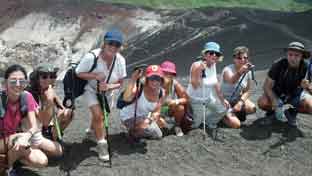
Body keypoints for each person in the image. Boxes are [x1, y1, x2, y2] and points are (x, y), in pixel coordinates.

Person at [75, 28, 127, 161]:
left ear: (120, 47)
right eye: (111, 43)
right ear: (104, 43)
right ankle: (102, 144)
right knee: (98, 116)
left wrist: (109, 86)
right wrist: (95, 76)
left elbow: (121, 82)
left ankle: (91, 132)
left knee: (102, 117)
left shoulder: (120, 61)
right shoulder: (91, 57)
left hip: (108, 94)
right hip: (91, 90)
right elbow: (78, 73)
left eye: (117, 45)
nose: (113, 47)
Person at [0, 64, 48, 176]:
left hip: (12, 140)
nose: (17, 85)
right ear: (5, 83)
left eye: (21, 81)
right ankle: (6, 170)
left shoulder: (26, 97)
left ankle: (12, 159)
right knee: (18, 138)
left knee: (42, 160)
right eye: (13, 81)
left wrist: (27, 135)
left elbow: (34, 125)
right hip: (5, 141)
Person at [258, 41, 312, 129]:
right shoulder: (278, 64)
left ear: (302, 56)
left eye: (296, 55)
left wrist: (308, 87)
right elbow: (266, 86)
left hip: (295, 95)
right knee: (262, 102)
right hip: (278, 93)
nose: (292, 58)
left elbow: (311, 89)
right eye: (290, 55)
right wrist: (274, 100)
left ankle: (291, 112)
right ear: (287, 54)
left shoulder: (307, 67)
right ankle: (271, 113)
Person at [27, 63, 73, 157]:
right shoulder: (30, 93)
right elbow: (44, 121)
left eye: (52, 76)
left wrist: (61, 111)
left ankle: (53, 138)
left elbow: (62, 107)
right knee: (58, 152)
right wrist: (49, 100)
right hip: (31, 129)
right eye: (44, 77)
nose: (48, 80)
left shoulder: (48, 88)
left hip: (44, 125)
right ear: (37, 78)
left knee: (68, 113)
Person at [187, 42, 231, 138]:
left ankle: (209, 122)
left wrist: (222, 100)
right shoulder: (196, 65)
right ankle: (195, 119)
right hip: (196, 99)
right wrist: (200, 70)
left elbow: (215, 83)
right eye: (211, 53)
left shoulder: (213, 65)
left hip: (207, 97)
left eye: (217, 54)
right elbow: (194, 85)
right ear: (205, 54)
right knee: (196, 124)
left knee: (224, 108)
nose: (214, 55)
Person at [119, 65, 165, 140]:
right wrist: (133, 79)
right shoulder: (139, 88)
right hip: (129, 117)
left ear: (161, 80)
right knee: (148, 130)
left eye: (158, 79)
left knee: (158, 134)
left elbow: (157, 111)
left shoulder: (161, 93)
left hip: (144, 117)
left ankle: (137, 131)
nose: (155, 81)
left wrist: (149, 120)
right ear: (147, 79)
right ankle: (131, 131)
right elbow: (126, 98)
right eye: (152, 78)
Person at [220, 46, 256, 128]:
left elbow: (247, 91)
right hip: (224, 101)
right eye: (239, 58)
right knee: (236, 125)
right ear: (234, 59)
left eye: (245, 58)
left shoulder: (248, 71)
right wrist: (240, 72)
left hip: (236, 99)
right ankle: (222, 116)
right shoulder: (227, 70)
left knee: (252, 109)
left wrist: (240, 103)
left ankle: (233, 112)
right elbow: (232, 81)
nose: (243, 60)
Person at [160, 60, 191, 136]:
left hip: (168, 108)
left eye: (170, 74)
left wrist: (175, 101)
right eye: (165, 73)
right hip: (155, 110)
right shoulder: (154, 82)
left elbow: (186, 98)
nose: (168, 75)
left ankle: (177, 126)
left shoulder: (174, 83)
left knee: (180, 107)